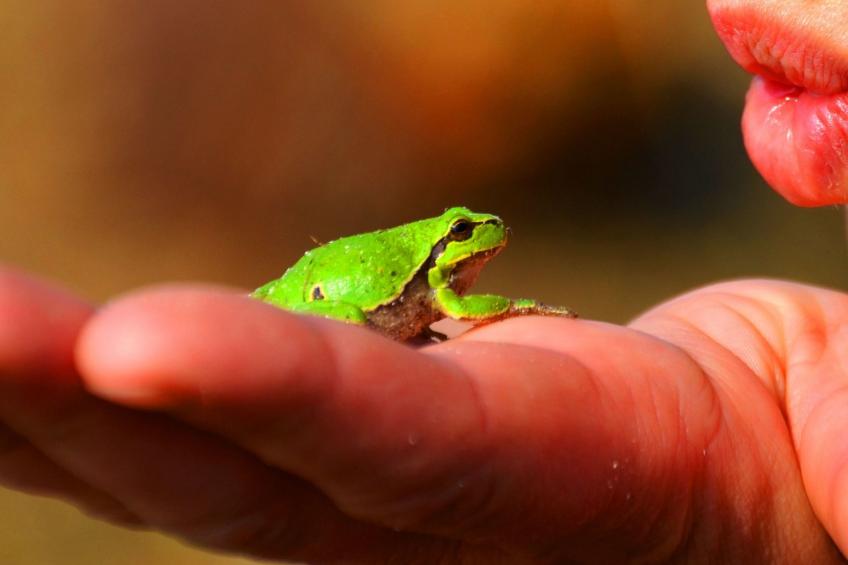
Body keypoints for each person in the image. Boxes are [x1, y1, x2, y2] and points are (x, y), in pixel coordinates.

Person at [2, 0, 847, 562]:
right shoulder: (441, 280)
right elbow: (449, 305)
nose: (482, 238)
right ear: (447, 242)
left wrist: (743, 517)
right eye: (466, 229)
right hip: (335, 308)